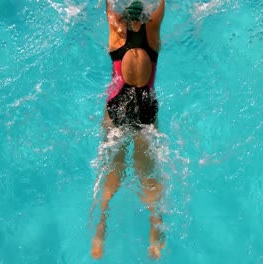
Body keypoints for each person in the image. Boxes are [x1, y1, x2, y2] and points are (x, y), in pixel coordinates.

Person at [91, 0, 166, 260]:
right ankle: (102, 226)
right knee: (127, 170)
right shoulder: (130, 30)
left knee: (132, 167)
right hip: (132, 108)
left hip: (129, 109)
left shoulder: (138, 29)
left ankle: (151, 224)